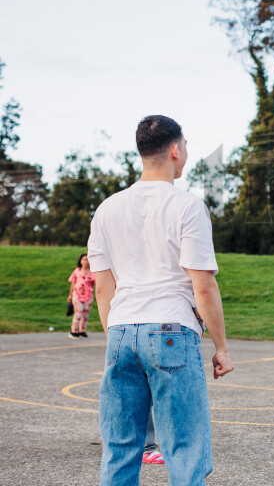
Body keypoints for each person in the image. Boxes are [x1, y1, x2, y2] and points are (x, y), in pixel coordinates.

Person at [88, 115, 233, 485]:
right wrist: (221, 347)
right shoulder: (187, 206)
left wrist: (117, 338)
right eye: (185, 147)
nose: (185, 154)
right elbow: (203, 287)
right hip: (171, 329)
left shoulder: (107, 209)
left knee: (120, 448)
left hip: (120, 330)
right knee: (184, 448)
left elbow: (103, 288)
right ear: (174, 150)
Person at [67, 253, 95, 339]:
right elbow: (73, 283)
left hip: (88, 296)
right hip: (77, 295)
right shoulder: (77, 271)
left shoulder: (92, 272)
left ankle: (82, 331)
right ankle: (73, 331)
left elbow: (93, 284)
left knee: (85, 315)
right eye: (84, 259)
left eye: (87, 259)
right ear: (80, 261)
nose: (86, 261)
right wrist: (70, 295)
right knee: (78, 313)